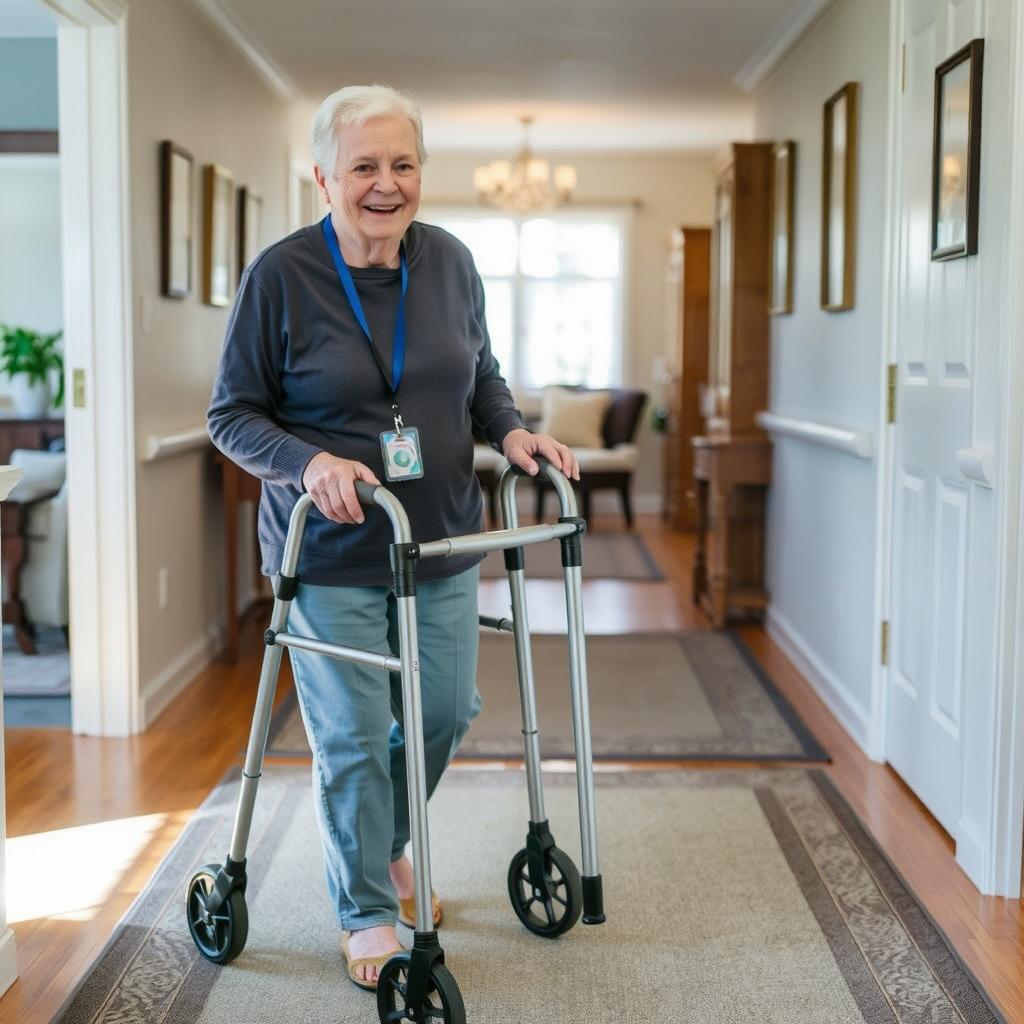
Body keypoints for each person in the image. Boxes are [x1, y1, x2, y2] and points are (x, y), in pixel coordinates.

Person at [207, 83, 580, 991]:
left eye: (402, 164)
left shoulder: (448, 260)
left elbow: (479, 374)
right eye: (365, 166)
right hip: (332, 552)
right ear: (324, 175)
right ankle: (368, 910)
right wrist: (310, 464)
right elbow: (233, 415)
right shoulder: (282, 276)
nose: (386, 184)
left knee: (446, 710)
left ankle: (386, 839)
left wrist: (513, 430)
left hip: (443, 538)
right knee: (352, 733)